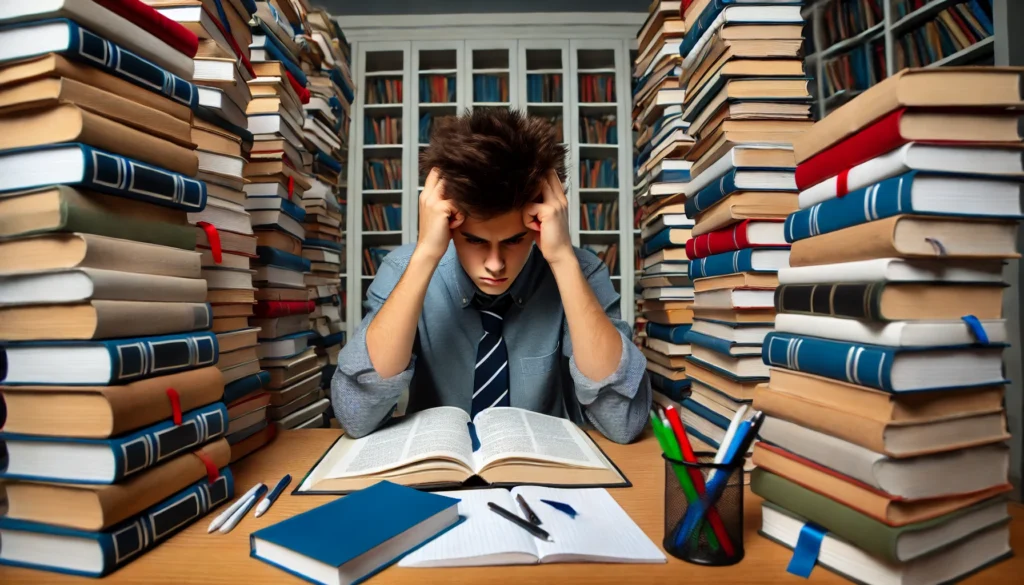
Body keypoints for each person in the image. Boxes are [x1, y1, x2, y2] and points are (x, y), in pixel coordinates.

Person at [332, 108, 650, 443]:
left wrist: (562, 258)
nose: (495, 264)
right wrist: (427, 252)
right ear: (449, 224)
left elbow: (623, 423)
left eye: (514, 240)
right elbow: (356, 415)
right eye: (475, 240)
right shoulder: (402, 270)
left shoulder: (582, 272)